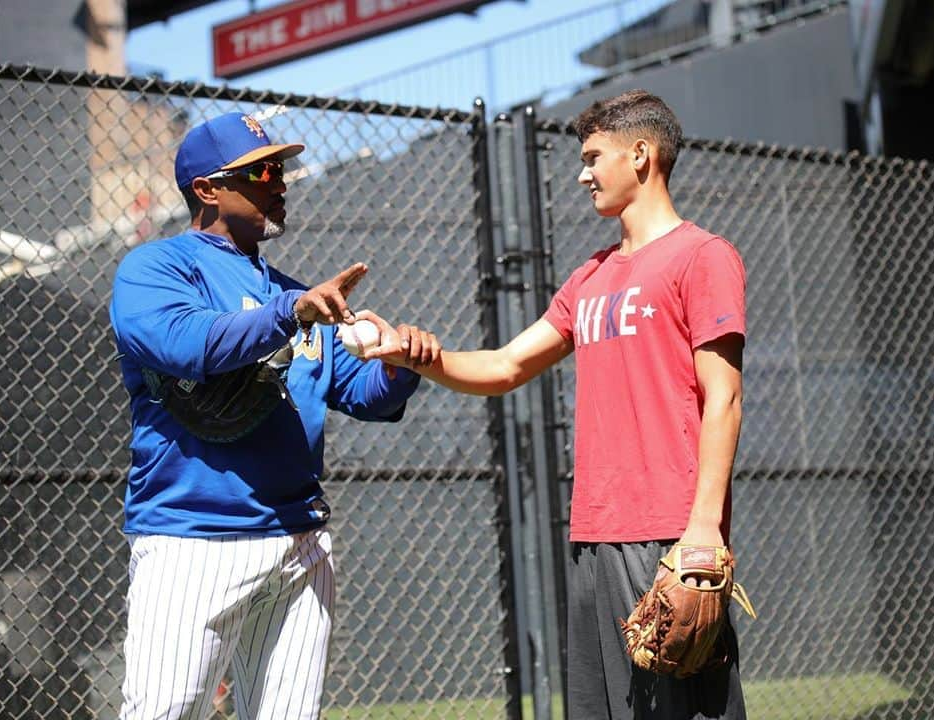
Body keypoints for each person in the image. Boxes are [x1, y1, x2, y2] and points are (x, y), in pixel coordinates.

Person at [367, 89, 748, 719]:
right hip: (595, 534)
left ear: (642, 155)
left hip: (668, 537)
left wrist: (703, 529)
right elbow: (506, 365)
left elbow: (725, 397)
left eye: (595, 156)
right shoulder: (589, 277)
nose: (583, 172)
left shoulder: (702, 256)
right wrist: (411, 355)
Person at [108, 111, 437, 720]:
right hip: (194, 537)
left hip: (299, 540)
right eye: (260, 170)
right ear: (206, 189)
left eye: (280, 168)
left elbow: (360, 395)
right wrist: (292, 311)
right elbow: (191, 345)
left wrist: (398, 368)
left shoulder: (293, 292)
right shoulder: (157, 270)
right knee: (163, 711)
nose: (279, 180)